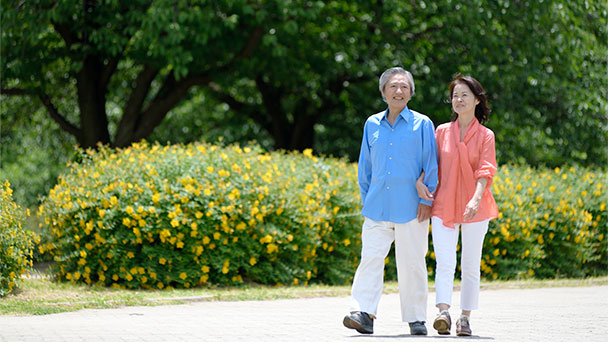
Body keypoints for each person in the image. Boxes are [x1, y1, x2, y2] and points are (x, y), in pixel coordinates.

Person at [342, 67, 438, 336]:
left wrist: (427, 199)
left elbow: (431, 165)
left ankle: (417, 318)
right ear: (383, 92)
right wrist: (366, 199)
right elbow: (366, 168)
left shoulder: (422, 124)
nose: (399, 91)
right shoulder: (371, 123)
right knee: (370, 259)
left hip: (412, 207)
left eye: (404, 87)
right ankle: (363, 313)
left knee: (412, 264)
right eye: (393, 86)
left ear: (411, 93)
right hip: (377, 207)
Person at [416, 74, 499, 336]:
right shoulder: (441, 132)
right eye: (455, 95)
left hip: (476, 204)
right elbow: (430, 164)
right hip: (443, 203)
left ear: (476, 99)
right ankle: (443, 312)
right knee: (444, 261)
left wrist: (475, 199)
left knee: (471, 264)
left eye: (464, 94)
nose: (459, 99)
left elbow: (486, 170)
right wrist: (420, 182)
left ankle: (464, 317)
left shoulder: (486, 135)